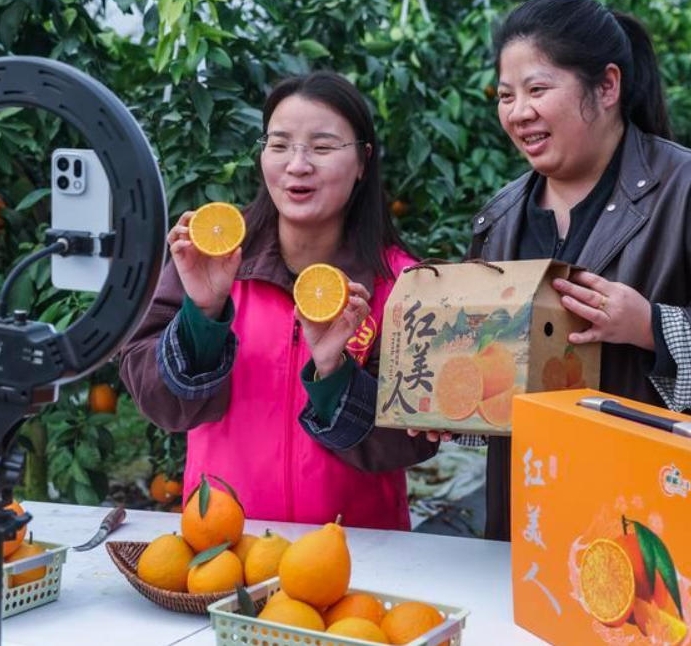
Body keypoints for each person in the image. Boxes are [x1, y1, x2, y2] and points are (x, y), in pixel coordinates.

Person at [415, 0, 691, 541]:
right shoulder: (500, 217)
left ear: (607, 87)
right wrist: (448, 405)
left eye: (538, 90)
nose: (518, 112)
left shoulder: (681, 191)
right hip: (527, 515)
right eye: (506, 95)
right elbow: (495, 378)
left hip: (648, 523)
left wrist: (652, 327)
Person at [118, 71, 438, 531]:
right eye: (280, 144)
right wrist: (202, 317)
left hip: (356, 558)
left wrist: (334, 375)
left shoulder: (404, 285)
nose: (298, 164)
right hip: (224, 547)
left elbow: (413, 442)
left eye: (323, 147)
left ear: (363, 161)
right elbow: (163, 404)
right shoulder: (211, 260)